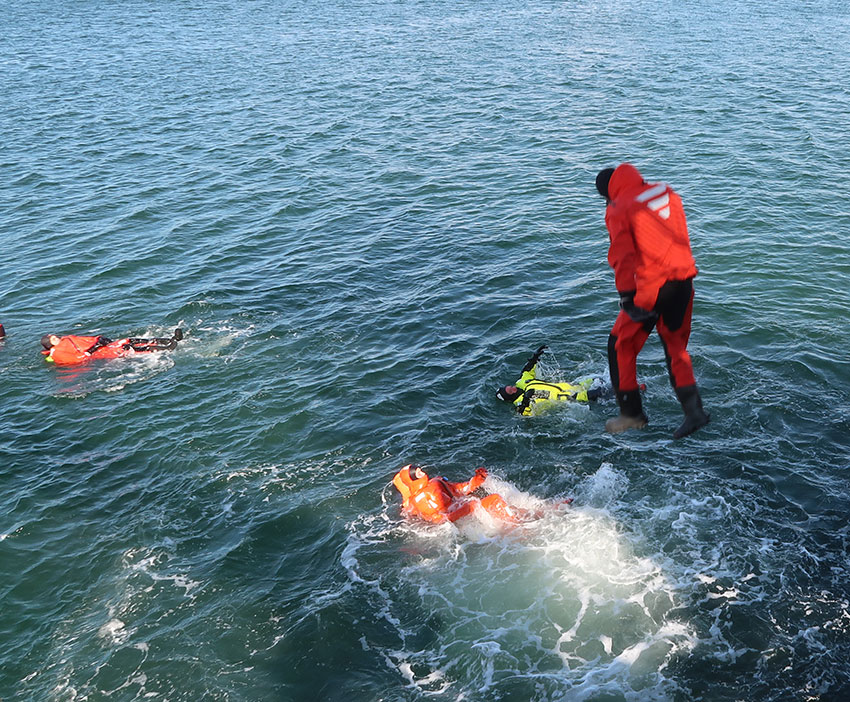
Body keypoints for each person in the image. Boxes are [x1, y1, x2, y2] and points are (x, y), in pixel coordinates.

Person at [595, 163, 710, 439]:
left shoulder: (618, 208)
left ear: (609, 193)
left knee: (620, 344)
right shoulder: (665, 192)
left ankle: (632, 414)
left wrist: (626, 297)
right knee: (675, 348)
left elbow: (622, 257)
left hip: (653, 289)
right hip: (684, 281)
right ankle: (695, 413)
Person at [392, 464, 548, 526]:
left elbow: (462, 488)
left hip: (463, 509)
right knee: (495, 500)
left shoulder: (436, 482)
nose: (419, 469)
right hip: (459, 519)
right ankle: (516, 529)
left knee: (501, 503)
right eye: (415, 471)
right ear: (412, 477)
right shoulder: (419, 499)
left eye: (418, 467)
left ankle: (540, 514)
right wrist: (468, 508)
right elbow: (438, 519)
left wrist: (478, 478)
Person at [496, 344, 605, 415]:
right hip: (570, 399)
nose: (512, 388)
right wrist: (526, 399)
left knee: (599, 379)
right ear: (510, 397)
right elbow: (525, 414)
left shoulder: (521, 383)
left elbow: (527, 371)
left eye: (508, 387)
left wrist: (534, 358)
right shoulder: (519, 403)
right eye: (509, 391)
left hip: (572, 386)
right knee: (605, 391)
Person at [41, 328, 183, 365]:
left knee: (128, 340)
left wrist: (99, 340)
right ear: (50, 344)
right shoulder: (57, 353)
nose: (56, 337)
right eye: (53, 338)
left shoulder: (67, 339)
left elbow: (87, 341)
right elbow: (81, 358)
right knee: (126, 347)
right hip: (101, 353)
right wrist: (94, 348)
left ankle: (167, 340)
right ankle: (167, 348)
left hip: (101, 346)